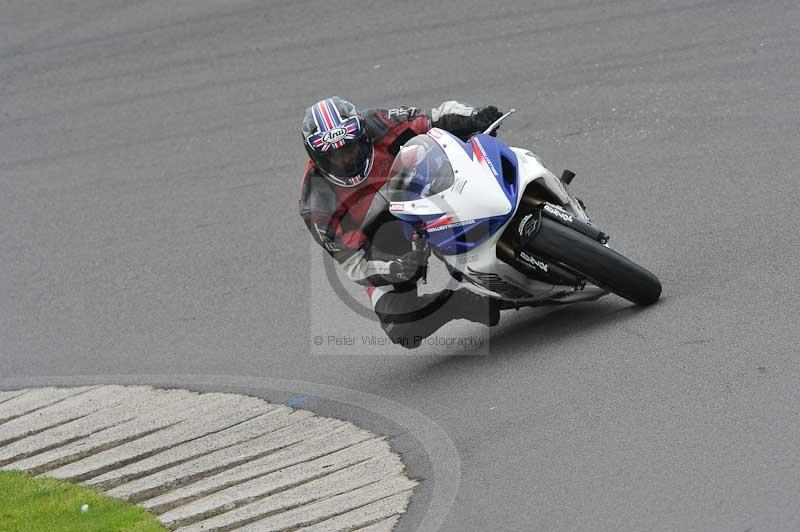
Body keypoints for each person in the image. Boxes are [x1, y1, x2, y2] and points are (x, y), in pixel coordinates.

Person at [299, 97, 503, 349]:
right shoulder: (316, 204)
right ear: (316, 158)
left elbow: (435, 117)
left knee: (481, 156)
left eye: (350, 148)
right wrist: (394, 268)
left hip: (428, 192)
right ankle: (458, 303)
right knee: (403, 329)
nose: (347, 160)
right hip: (386, 240)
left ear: (362, 134)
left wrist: (473, 115)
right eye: (334, 156)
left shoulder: (379, 123)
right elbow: (354, 264)